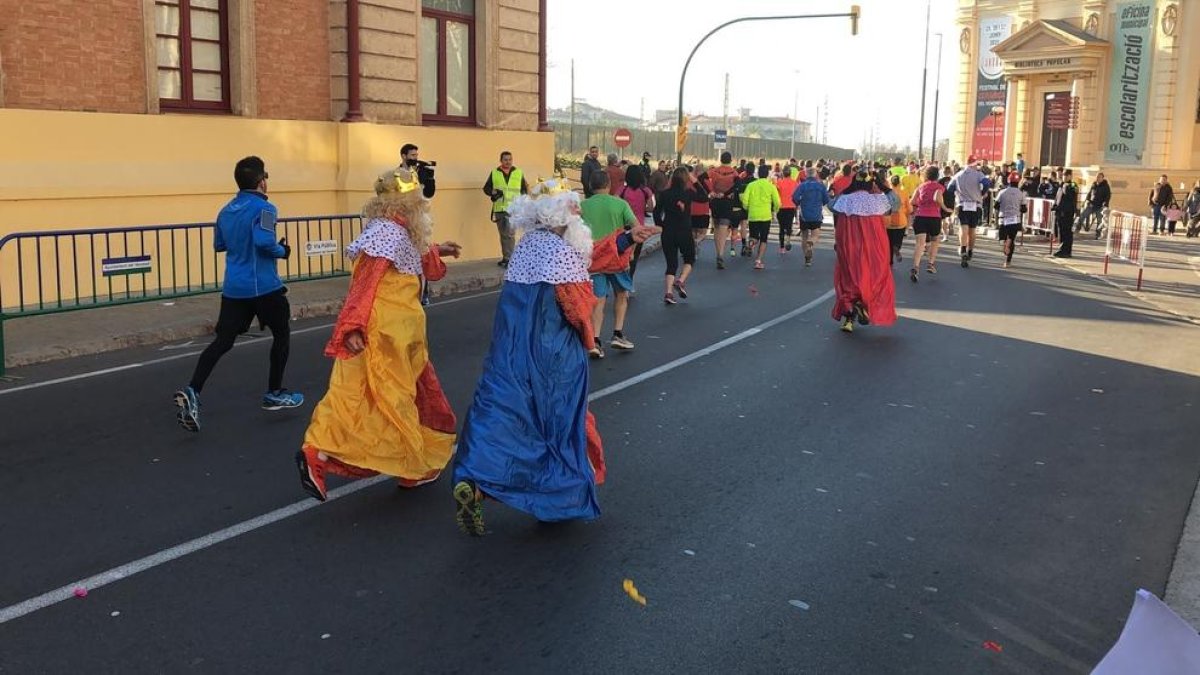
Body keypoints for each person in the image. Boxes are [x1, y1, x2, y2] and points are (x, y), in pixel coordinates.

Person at [450, 179, 657, 535]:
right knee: (558, 423)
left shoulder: (529, 245)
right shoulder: (563, 252)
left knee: (506, 415)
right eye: (573, 207)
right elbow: (578, 307)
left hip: (511, 351)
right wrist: (589, 335)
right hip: (554, 354)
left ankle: (479, 481)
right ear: (562, 213)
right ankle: (558, 497)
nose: (578, 212)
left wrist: (625, 238)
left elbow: (589, 259)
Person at [295, 167, 462, 501]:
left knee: (366, 394)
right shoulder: (387, 232)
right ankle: (409, 466)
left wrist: (439, 249)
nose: (423, 206)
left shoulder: (397, 230)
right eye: (418, 200)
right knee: (391, 398)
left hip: (401, 333)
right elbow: (364, 285)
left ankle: (323, 454)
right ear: (408, 203)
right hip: (386, 332)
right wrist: (352, 327)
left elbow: (421, 263)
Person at [174, 156, 301, 432]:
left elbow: (220, 244)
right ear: (261, 181)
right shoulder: (266, 208)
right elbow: (265, 242)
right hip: (264, 286)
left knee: (223, 341)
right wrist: (284, 251)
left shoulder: (225, 210)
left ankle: (193, 389)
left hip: (234, 287)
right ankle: (274, 393)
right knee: (281, 335)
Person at [829, 172, 897, 333]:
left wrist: (847, 190)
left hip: (850, 245)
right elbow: (896, 204)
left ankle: (849, 318)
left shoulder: (846, 200)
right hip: (874, 246)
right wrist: (884, 187)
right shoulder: (878, 201)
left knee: (849, 278)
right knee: (874, 276)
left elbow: (831, 205)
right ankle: (863, 305)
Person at [581, 171, 638, 357]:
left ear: (590, 186)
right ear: (608, 185)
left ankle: (595, 341)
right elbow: (636, 228)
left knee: (598, 299)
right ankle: (617, 334)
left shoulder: (583, 206)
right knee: (622, 294)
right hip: (617, 257)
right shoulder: (620, 204)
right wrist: (630, 251)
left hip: (593, 259)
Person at [654, 167, 695, 304]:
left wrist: (660, 224)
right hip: (684, 230)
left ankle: (668, 293)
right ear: (685, 179)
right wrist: (694, 181)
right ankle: (681, 280)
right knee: (689, 258)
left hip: (668, 231)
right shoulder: (688, 193)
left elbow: (656, 211)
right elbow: (703, 196)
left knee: (671, 263)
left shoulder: (664, 194)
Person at [482, 150, 529, 268]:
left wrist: (522, 203)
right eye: (505, 160)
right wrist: (492, 191)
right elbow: (486, 188)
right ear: (501, 161)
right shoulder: (494, 173)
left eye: (510, 159)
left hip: (513, 209)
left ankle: (511, 259)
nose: (508, 162)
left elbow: (524, 189)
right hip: (500, 208)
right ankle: (506, 258)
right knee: (503, 234)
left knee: (510, 234)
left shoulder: (518, 173)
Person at [909, 165, 949, 283]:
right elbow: (938, 198)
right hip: (934, 217)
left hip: (920, 216)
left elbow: (912, 201)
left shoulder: (921, 186)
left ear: (926, 175)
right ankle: (931, 264)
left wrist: (920, 204)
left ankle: (915, 267)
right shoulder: (940, 187)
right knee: (935, 241)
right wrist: (944, 208)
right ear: (937, 176)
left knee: (920, 244)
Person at [617, 164, 655, 282]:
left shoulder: (622, 190)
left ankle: (621, 280)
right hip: (639, 227)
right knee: (634, 256)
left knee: (622, 255)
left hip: (623, 226)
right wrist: (642, 208)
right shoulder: (646, 191)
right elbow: (651, 207)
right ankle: (629, 281)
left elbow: (615, 204)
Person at [949, 160, 986, 267]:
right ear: (974, 165)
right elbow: (987, 183)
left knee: (963, 228)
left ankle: (963, 249)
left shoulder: (958, 174)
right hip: (976, 204)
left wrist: (956, 194)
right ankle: (970, 251)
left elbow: (950, 188)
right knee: (972, 230)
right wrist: (982, 193)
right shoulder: (979, 174)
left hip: (962, 204)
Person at [743, 164, 780, 270]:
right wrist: (775, 211)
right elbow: (777, 202)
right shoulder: (771, 186)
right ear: (768, 174)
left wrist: (747, 208)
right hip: (765, 216)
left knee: (754, 236)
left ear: (758, 174)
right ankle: (758, 261)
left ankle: (750, 244)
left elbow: (745, 200)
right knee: (763, 239)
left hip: (753, 214)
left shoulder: (751, 185)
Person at [707, 151, 740, 269]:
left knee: (716, 228)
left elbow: (702, 179)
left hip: (715, 201)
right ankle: (721, 254)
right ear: (730, 160)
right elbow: (738, 185)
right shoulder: (734, 172)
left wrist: (711, 191)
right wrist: (727, 193)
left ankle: (718, 253)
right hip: (727, 201)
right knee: (724, 228)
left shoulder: (714, 171)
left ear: (720, 159)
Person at [793, 167, 830, 267]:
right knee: (815, 235)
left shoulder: (802, 185)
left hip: (804, 214)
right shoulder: (820, 185)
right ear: (815, 174)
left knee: (804, 237)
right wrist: (821, 202)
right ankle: (811, 243)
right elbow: (827, 200)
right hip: (816, 214)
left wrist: (799, 202)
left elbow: (794, 197)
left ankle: (807, 258)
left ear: (806, 174)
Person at [996, 174, 1025, 268]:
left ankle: (1004, 243)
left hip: (1003, 219)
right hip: (1015, 219)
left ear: (1009, 181)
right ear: (1018, 182)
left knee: (1001, 239)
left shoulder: (1002, 192)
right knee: (1012, 239)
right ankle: (1008, 261)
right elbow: (1024, 209)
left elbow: (996, 205)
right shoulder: (1021, 193)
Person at [1052, 169, 1079, 258]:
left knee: (1067, 232)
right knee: (1061, 232)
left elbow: (1069, 193)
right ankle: (1062, 249)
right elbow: (1058, 197)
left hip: (1067, 212)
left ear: (1070, 176)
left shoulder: (1072, 185)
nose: (1064, 177)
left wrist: (1065, 186)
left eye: (1066, 175)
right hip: (1060, 212)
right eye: (1063, 175)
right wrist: (1055, 205)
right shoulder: (1061, 185)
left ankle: (1066, 251)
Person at [886, 174, 911, 264]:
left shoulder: (886, 193)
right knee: (898, 240)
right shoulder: (904, 193)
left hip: (888, 221)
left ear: (890, 183)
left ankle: (890, 261)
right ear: (899, 183)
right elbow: (909, 209)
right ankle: (897, 247)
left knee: (889, 242)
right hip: (901, 221)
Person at [775, 167, 799, 253]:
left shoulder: (779, 182)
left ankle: (782, 248)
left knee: (781, 228)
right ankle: (788, 240)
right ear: (790, 173)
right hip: (791, 207)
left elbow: (776, 195)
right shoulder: (795, 183)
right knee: (789, 225)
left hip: (781, 207)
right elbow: (797, 195)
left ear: (783, 174)